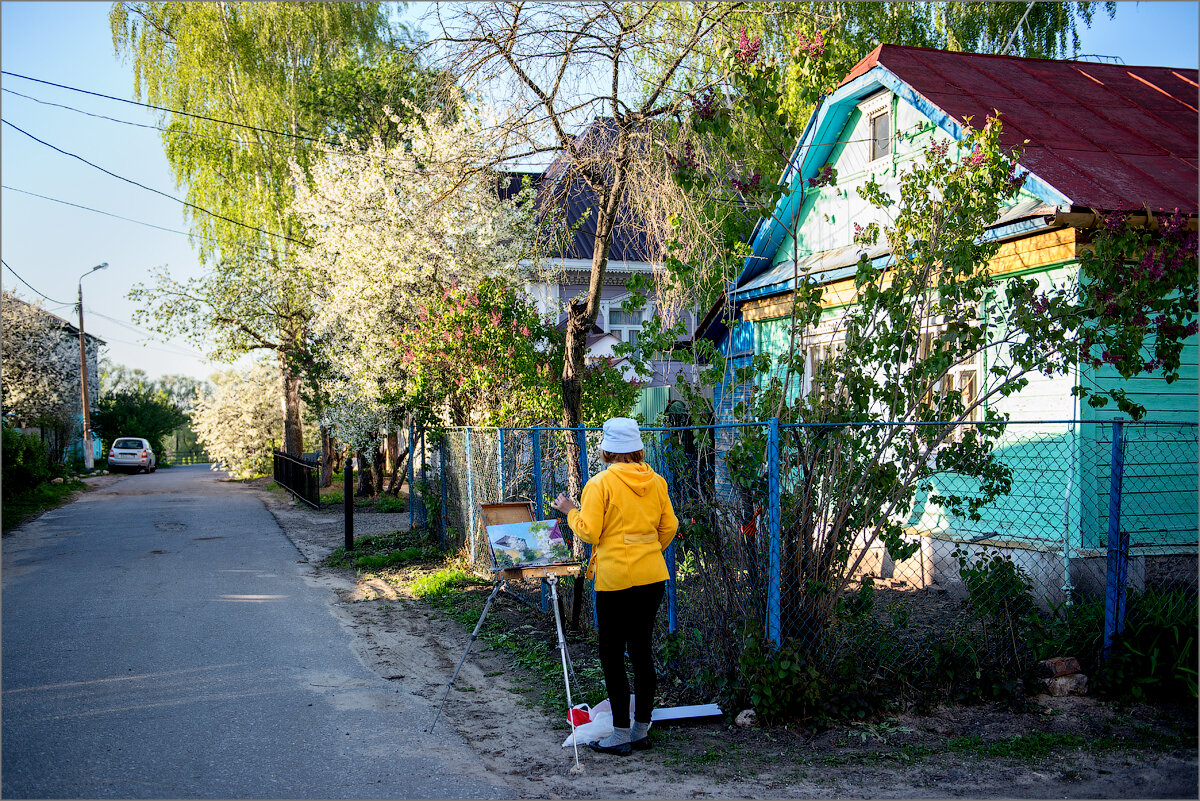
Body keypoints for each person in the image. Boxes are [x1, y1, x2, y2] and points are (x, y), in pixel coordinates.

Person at [552, 417, 678, 756]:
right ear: (637, 448)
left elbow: (590, 532)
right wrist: (648, 551)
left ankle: (620, 734)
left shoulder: (600, 484)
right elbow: (670, 526)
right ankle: (641, 729)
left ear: (607, 449)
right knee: (641, 652)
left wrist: (570, 511)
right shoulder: (657, 481)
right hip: (652, 577)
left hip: (615, 581)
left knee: (611, 654)